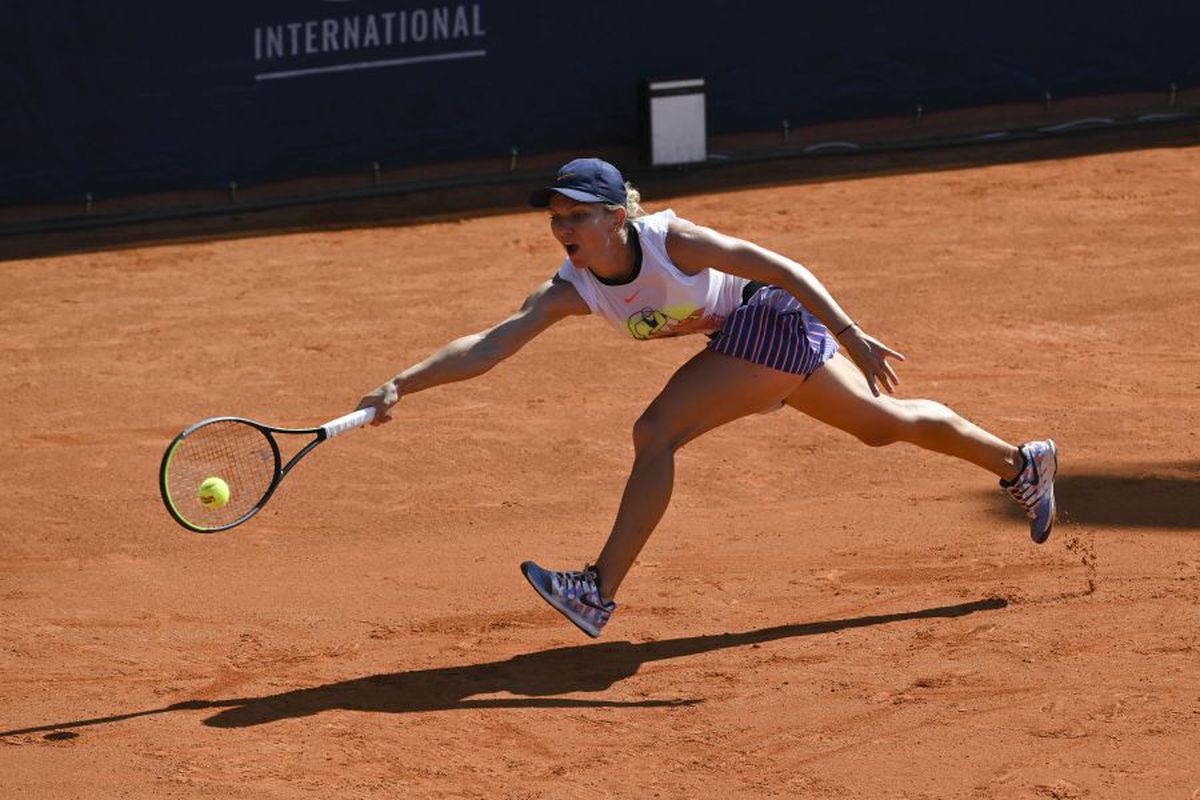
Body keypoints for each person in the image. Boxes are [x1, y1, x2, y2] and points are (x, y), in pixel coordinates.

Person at [356, 158, 1058, 638]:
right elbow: (491, 345)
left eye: (577, 215)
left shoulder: (674, 242)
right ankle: (1022, 463)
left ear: (616, 217)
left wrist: (851, 333)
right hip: (747, 337)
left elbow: (780, 267)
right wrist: (400, 384)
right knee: (880, 425)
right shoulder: (572, 289)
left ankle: (597, 591)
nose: (562, 228)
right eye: (555, 217)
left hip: (772, 317)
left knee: (656, 431)